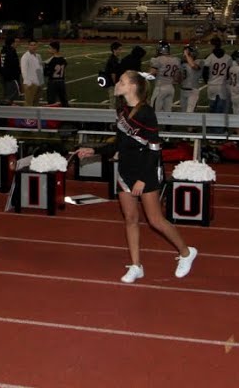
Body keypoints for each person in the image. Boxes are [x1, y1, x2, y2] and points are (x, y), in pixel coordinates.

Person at [75, 71, 198, 283]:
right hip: (125, 169)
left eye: (122, 81)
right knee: (130, 219)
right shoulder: (121, 110)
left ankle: (187, 252)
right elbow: (119, 144)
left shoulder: (146, 113)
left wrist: (143, 178)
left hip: (146, 170)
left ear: (132, 87)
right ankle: (136, 265)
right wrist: (94, 150)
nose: (118, 84)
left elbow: (154, 149)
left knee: (155, 220)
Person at [150, 41, 180, 113]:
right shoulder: (176, 60)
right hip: (171, 88)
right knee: (168, 112)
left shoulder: (158, 59)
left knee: (155, 112)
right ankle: (168, 124)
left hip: (160, 87)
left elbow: (152, 73)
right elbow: (176, 78)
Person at [19, 39, 45, 107]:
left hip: (38, 83)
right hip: (30, 83)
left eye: (34, 45)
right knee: (28, 103)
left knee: (36, 103)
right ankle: (27, 117)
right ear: (28, 46)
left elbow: (40, 69)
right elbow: (23, 70)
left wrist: (41, 82)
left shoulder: (38, 56)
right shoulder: (25, 57)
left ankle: (34, 117)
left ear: (37, 46)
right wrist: (28, 83)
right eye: (31, 45)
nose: (33, 47)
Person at [0, 34, 21, 104]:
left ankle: (5, 106)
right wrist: (17, 75)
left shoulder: (4, 50)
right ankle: (7, 108)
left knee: (7, 94)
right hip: (10, 76)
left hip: (3, 74)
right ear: (12, 43)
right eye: (16, 42)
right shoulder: (10, 51)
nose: (17, 43)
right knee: (12, 95)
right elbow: (13, 65)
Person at [44, 41, 70, 106]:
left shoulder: (51, 61)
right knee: (64, 100)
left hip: (53, 82)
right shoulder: (63, 60)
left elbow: (46, 73)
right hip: (61, 82)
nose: (48, 50)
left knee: (51, 101)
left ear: (54, 49)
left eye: (50, 48)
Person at [100, 42, 122, 108]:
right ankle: (111, 117)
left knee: (117, 102)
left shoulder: (115, 58)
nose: (121, 51)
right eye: (119, 49)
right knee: (113, 103)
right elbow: (113, 74)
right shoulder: (113, 60)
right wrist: (116, 84)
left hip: (113, 83)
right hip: (112, 84)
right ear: (114, 50)